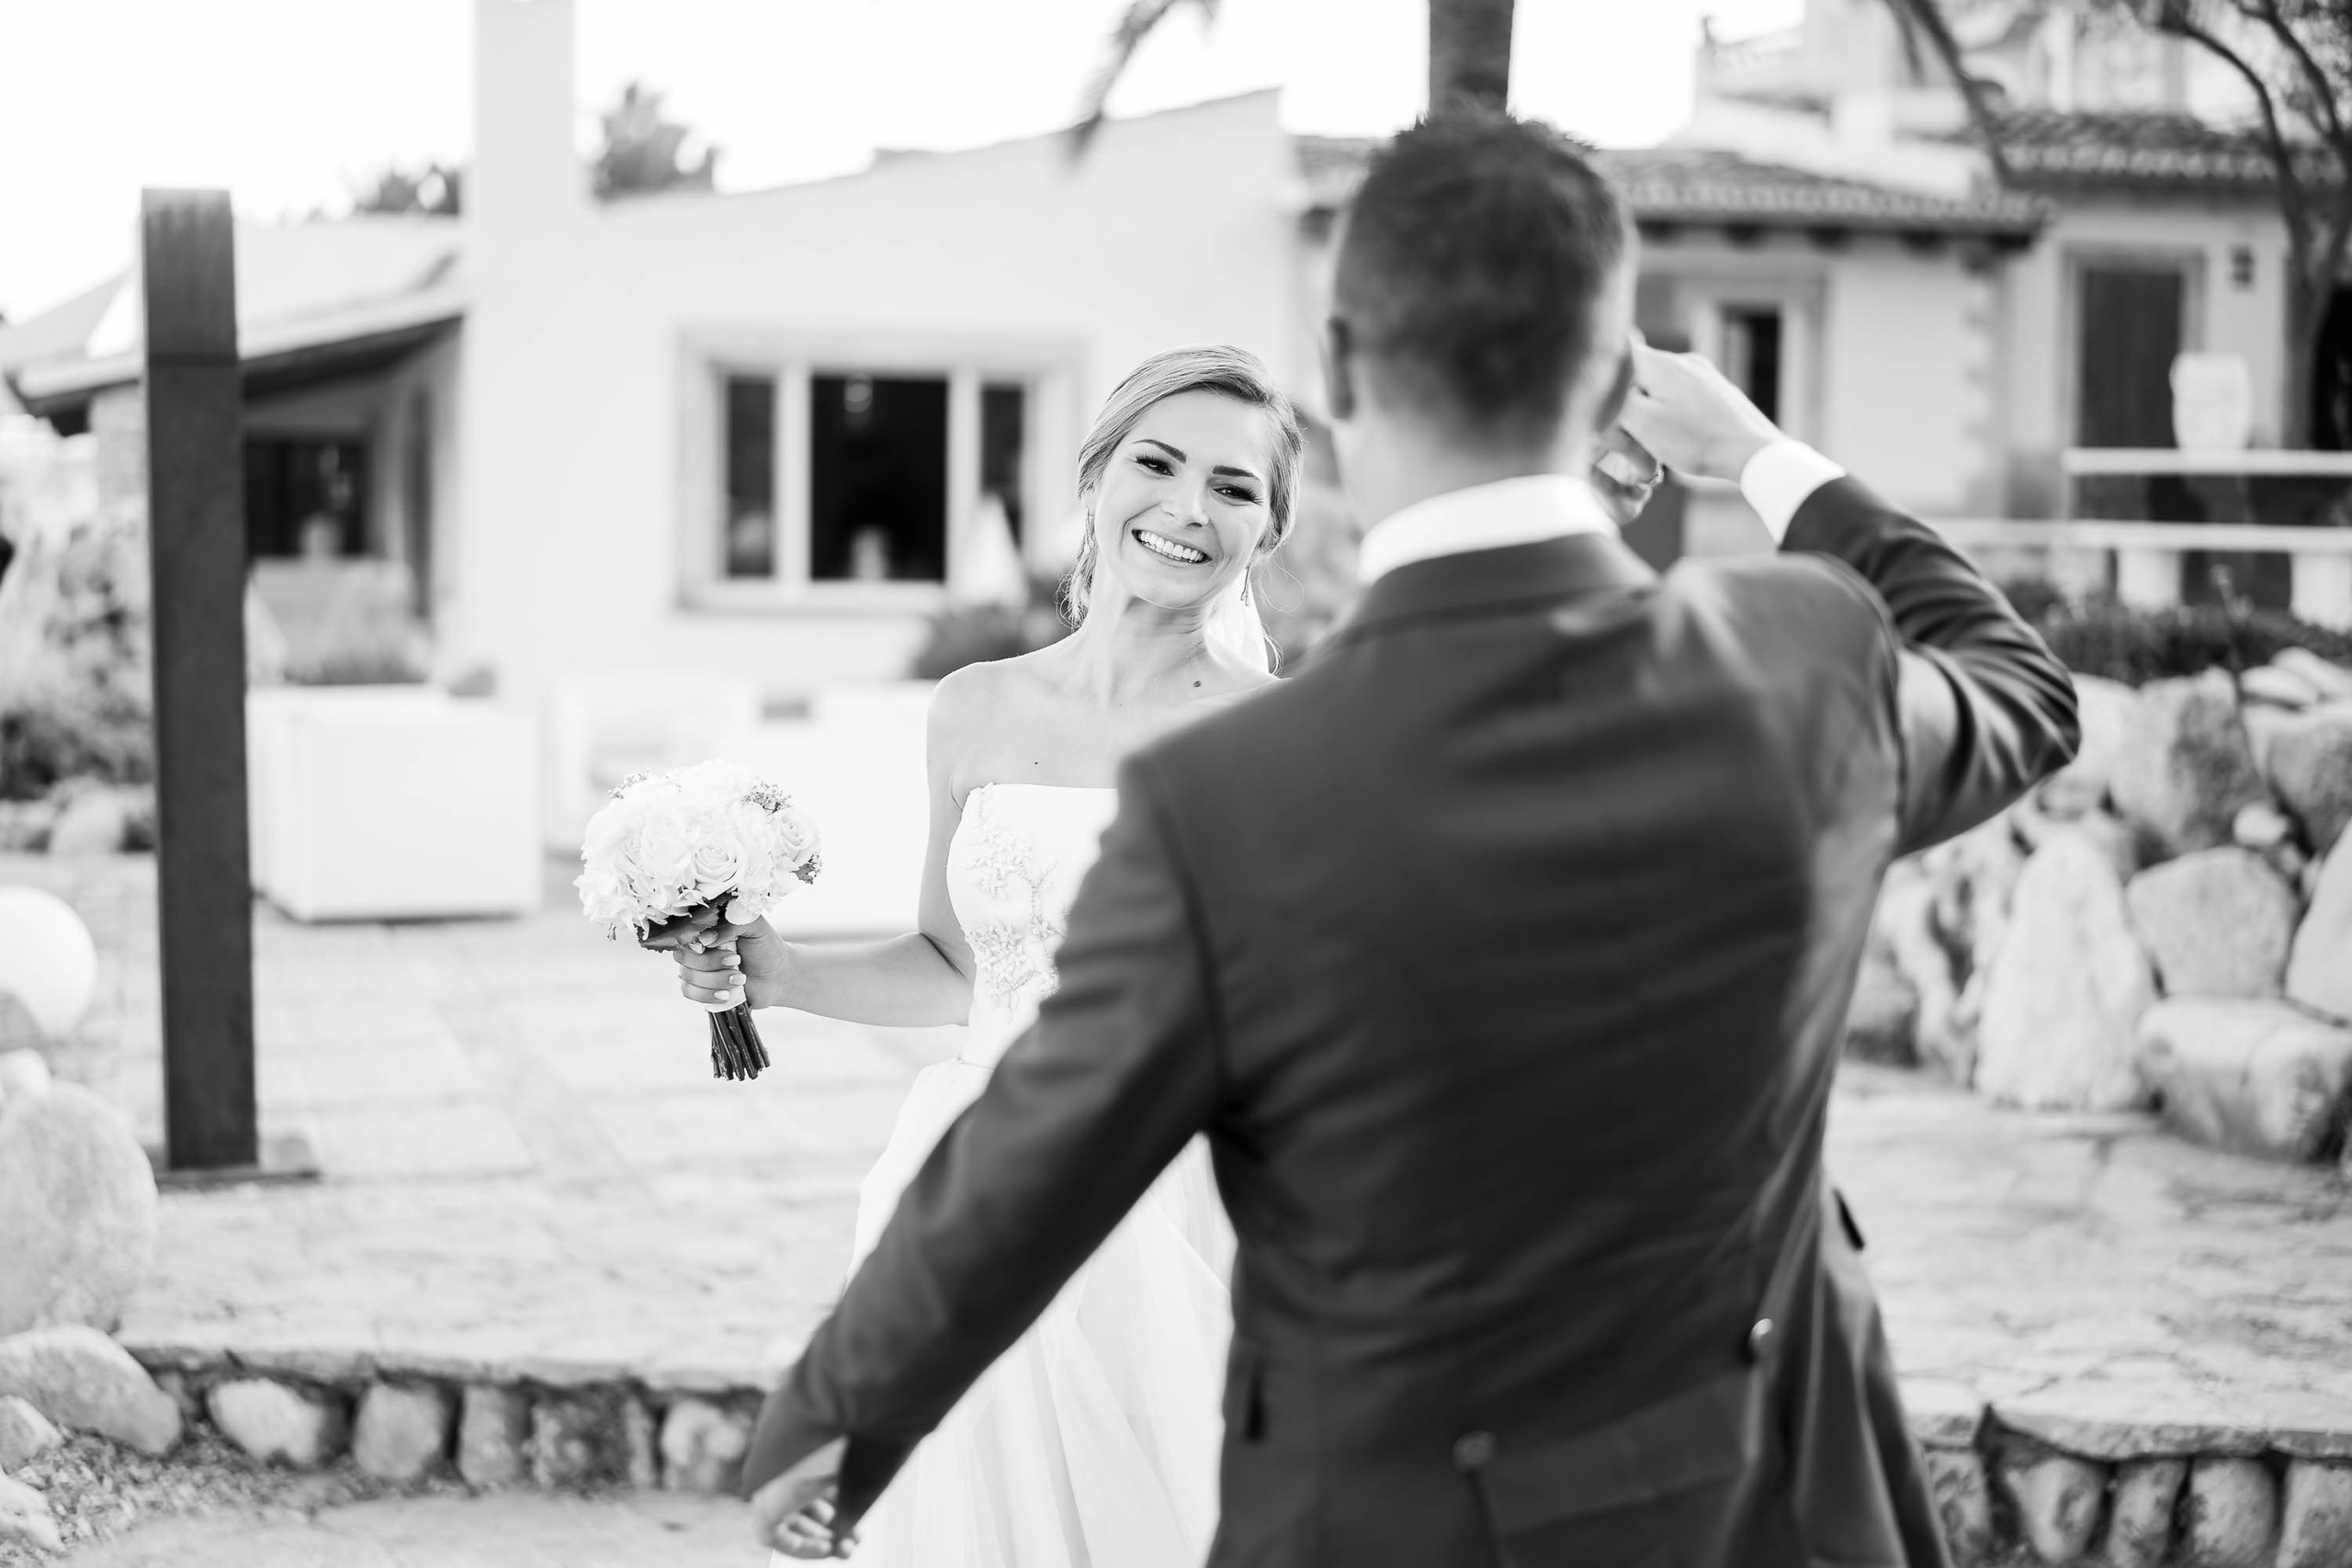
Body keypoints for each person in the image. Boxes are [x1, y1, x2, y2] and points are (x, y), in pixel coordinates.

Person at [714, 112, 2079, 1566]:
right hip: (1765, 1505)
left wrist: (829, 1432)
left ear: (1345, 378)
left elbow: (1033, 1164)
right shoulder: (1802, 664)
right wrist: (1752, 454)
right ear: (1619, 380)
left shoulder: (1235, 787)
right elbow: (2017, 688)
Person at [656, 343, 1305, 1566]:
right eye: (1157, 464)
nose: (1188, 508)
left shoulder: (1278, 737)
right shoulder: (975, 710)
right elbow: (960, 971)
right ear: (1098, 481)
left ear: (1267, 535)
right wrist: (776, 971)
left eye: (1234, 488)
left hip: (1171, 1202)